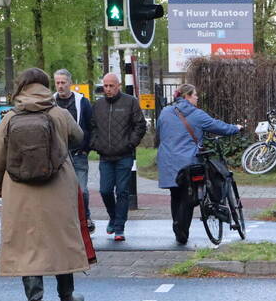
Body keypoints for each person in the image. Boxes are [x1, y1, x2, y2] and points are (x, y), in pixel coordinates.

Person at [0, 68, 87, 301]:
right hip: (58, 187)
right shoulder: (58, 113)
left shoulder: (9, 117)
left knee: (27, 246)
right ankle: (67, 298)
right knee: (60, 241)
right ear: (45, 85)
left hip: (19, 191)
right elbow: (79, 137)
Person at [156, 84, 241, 244]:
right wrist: (236, 128)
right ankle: (181, 230)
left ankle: (177, 226)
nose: (197, 98)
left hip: (167, 161)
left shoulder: (165, 112)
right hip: (189, 162)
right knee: (188, 196)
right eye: (195, 95)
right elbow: (219, 127)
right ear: (187, 96)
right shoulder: (197, 114)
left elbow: (160, 132)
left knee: (175, 194)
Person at [89, 72, 145, 242]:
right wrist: (95, 144)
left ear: (118, 85)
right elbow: (92, 128)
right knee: (105, 190)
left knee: (122, 191)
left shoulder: (130, 102)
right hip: (105, 156)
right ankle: (113, 217)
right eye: (105, 86)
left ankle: (119, 227)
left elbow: (140, 125)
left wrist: (130, 144)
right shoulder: (98, 105)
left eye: (111, 85)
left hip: (124, 155)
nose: (108, 89)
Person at [52, 69, 94, 233]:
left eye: (63, 82)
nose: (60, 86)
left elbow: (91, 126)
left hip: (78, 154)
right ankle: (65, 222)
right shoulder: (50, 102)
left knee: (81, 190)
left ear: (70, 83)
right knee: (60, 191)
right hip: (58, 155)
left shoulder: (82, 102)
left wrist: (86, 148)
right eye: (57, 83)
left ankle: (86, 217)